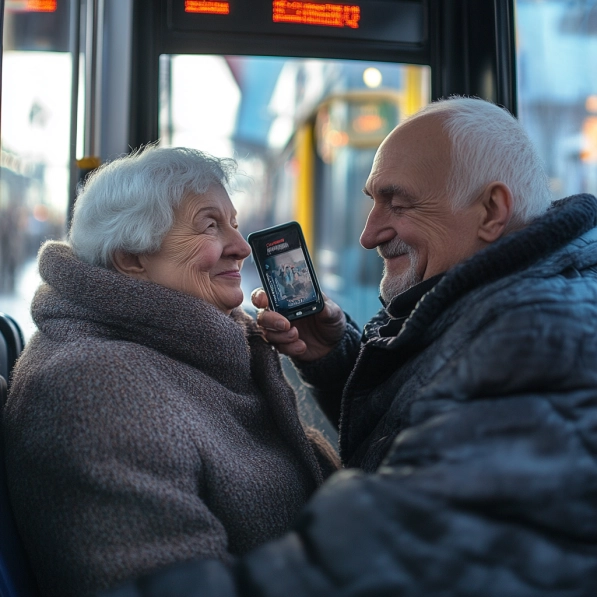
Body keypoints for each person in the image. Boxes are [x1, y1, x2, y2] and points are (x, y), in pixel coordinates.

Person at [101, 97, 597, 596]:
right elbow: (436, 432)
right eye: (372, 202)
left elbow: (393, 555)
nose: (368, 235)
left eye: (398, 204)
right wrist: (336, 360)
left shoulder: (538, 337)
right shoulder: (504, 307)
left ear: (491, 211)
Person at [1, 146, 339, 597]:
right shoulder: (97, 388)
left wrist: (329, 363)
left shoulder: (196, 347)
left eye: (234, 223)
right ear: (131, 259)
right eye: (210, 225)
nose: (241, 248)